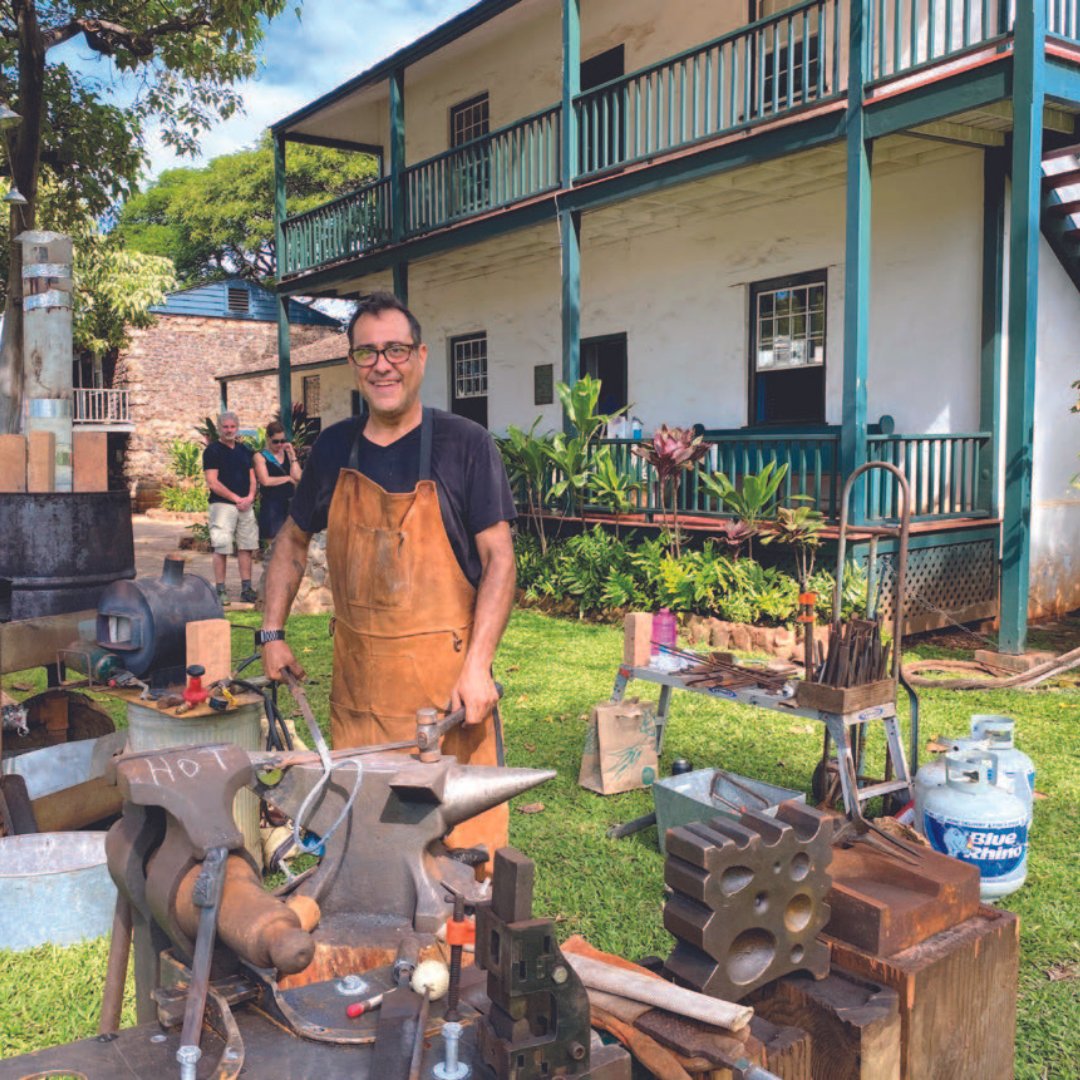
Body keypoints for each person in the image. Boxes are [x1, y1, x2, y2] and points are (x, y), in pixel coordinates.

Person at [258, 291, 517, 864]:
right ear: (353, 362)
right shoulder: (332, 448)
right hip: (358, 698)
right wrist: (271, 633)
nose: (383, 364)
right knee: (361, 856)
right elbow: (293, 542)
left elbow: (499, 559)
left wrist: (477, 669)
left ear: (420, 356)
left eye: (396, 350)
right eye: (368, 352)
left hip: (447, 699)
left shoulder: (466, 445)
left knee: (460, 868)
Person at [203, 411, 258, 605]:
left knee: (246, 547)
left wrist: (250, 497)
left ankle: (246, 589)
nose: (229, 430)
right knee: (222, 548)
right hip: (222, 506)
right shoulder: (212, 451)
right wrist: (236, 498)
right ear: (219, 429)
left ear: (237, 427)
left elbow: (253, 478)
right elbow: (212, 482)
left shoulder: (244, 450)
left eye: (232, 427)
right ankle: (220, 590)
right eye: (225, 427)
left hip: (245, 505)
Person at [254, 420, 302, 543]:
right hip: (272, 506)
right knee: (273, 547)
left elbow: (297, 476)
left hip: (289, 504)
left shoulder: (286, 454)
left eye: (282, 441)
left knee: (291, 544)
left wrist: (292, 455)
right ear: (268, 438)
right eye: (276, 441)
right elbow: (265, 480)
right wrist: (287, 478)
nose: (280, 445)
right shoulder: (260, 456)